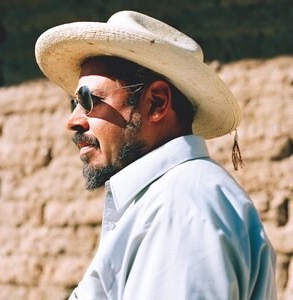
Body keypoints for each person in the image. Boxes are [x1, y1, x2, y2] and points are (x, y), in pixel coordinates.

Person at [35, 10, 276, 300]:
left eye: (89, 100)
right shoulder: (169, 198)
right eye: (73, 103)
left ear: (157, 103)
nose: (73, 120)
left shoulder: (180, 208)